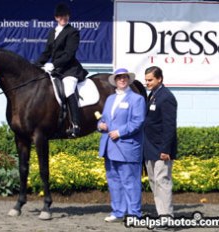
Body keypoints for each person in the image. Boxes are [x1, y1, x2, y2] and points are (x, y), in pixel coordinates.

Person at [98, 68, 146, 222]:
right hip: (109, 147)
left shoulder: (137, 99)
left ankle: (134, 213)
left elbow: (138, 122)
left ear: (129, 80)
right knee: (114, 181)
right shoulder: (110, 99)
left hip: (127, 146)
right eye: (119, 78)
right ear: (115, 81)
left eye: (124, 77)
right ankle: (118, 211)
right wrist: (101, 125)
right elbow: (103, 119)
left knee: (130, 182)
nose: (122, 80)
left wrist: (120, 132)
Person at [35, 2, 88, 137]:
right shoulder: (52, 32)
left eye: (66, 16)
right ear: (56, 18)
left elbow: (69, 54)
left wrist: (54, 64)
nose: (63, 18)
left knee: (68, 89)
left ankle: (75, 124)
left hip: (70, 69)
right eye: (60, 16)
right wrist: (36, 65)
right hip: (57, 69)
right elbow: (47, 52)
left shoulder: (73, 32)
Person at [143, 66, 177, 221]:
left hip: (161, 150)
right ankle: (162, 214)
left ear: (159, 79)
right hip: (150, 148)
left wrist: (165, 149)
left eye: (150, 80)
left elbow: (169, 126)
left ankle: (167, 218)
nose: (147, 83)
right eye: (146, 80)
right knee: (154, 183)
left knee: (162, 182)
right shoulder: (153, 95)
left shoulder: (166, 97)